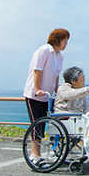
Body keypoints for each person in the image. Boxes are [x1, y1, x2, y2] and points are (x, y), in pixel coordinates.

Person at [23, 28, 69, 166]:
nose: (66, 44)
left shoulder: (59, 55)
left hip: (47, 96)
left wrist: (57, 90)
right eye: (65, 41)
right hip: (35, 95)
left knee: (49, 124)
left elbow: (56, 74)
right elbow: (37, 71)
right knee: (38, 125)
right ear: (58, 40)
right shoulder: (43, 50)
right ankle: (35, 155)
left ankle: (46, 153)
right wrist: (37, 89)